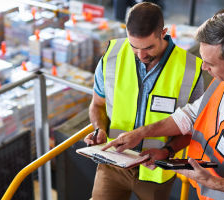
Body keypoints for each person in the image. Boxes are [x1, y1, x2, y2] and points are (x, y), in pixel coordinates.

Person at [103, 12, 224, 200]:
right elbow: (192, 115)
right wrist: (142, 134)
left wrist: (211, 181)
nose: (203, 67)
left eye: (210, 63)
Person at [83, 2, 204, 200]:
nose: (140, 55)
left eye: (148, 48)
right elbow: (97, 104)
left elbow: (195, 128)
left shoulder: (190, 69)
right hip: (113, 162)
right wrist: (100, 129)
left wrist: (167, 151)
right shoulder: (112, 56)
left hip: (156, 171)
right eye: (134, 47)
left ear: (163, 33)